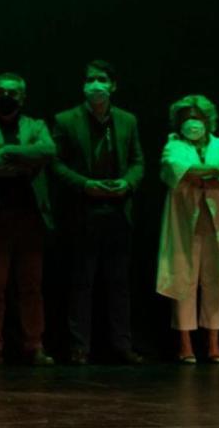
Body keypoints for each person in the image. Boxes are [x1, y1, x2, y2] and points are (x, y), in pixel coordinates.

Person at [51, 60, 144, 365]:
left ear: (113, 85)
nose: (96, 85)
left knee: (119, 284)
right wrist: (85, 184)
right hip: (83, 211)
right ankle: (80, 347)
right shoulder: (65, 120)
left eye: (102, 79)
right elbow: (56, 164)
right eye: (90, 79)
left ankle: (122, 344)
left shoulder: (128, 120)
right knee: (82, 282)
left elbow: (138, 161)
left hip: (118, 210)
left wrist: (127, 184)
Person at [0, 73, 56, 367]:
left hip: (31, 219)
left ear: (22, 97)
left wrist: (5, 154)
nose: (7, 96)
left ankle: (34, 345)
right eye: (1, 91)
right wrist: (22, 162)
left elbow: (46, 150)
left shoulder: (36, 125)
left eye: (13, 92)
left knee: (32, 286)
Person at [157, 94, 219, 363]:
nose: (193, 123)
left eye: (198, 117)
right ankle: (185, 343)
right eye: (187, 118)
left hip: (216, 222)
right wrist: (213, 171)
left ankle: (214, 343)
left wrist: (201, 171)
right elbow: (182, 170)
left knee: (216, 280)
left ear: (208, 120)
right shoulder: (173, 146)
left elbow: (197, 171)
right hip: (186, 222)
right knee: (184, 278)